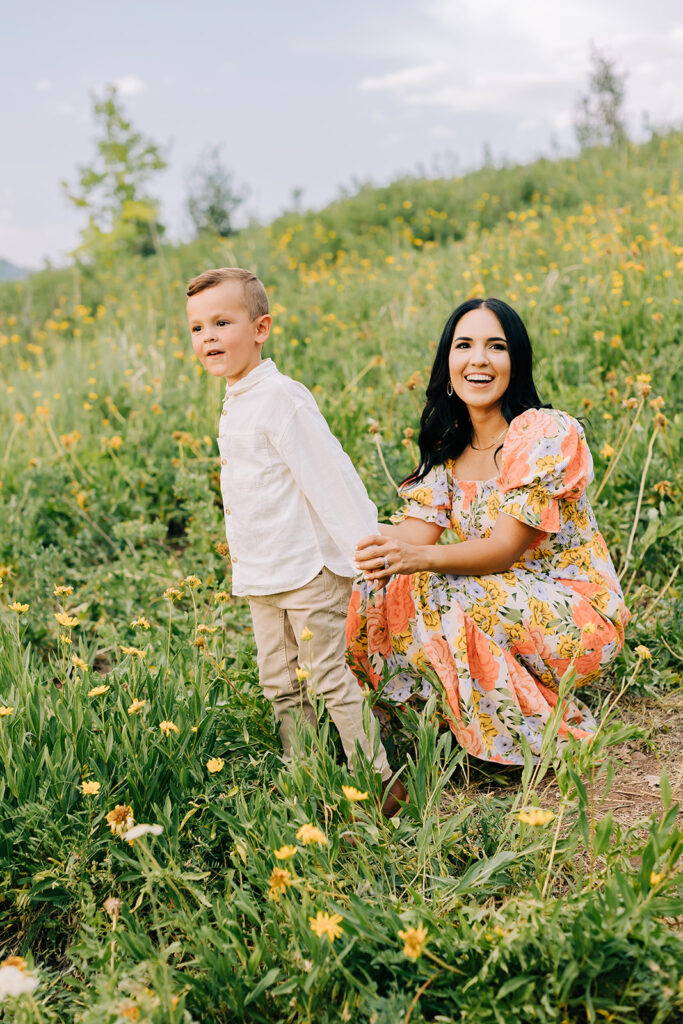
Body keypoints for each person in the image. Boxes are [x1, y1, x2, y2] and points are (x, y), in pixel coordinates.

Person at [347, 298, 629, 764]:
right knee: (376, 586)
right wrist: (328, 528)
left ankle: (543, 736)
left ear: (515, 363)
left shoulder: (541, 432)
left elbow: (501, 550)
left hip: (577, 618)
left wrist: (420, 563)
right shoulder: (449, 445)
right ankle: (417, 732)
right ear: (448, 363)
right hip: (502, 603)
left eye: (495, 346)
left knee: (431, 587)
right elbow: (413, 538)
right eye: (464, 345)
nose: (478, 359)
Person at [186, 267, 403, 810]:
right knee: (279, 681)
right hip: (263, 571)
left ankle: (379, 781)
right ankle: (306, 775)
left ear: (261, 328)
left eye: (221, 322)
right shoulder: (238, 398)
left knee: (327, 674)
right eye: (196, 328)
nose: (208, 337)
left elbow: (328, 472)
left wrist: (365, 546)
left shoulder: (281, 398)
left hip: (307, 568)